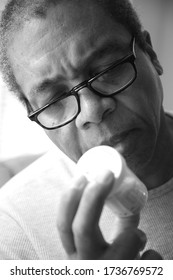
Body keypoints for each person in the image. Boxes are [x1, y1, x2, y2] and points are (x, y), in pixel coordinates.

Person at [0, 0, 172, 260]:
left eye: (108, 69)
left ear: (150, 54)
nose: (92, 111)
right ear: (33, 114)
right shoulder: (14, 227)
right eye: (55, 100)